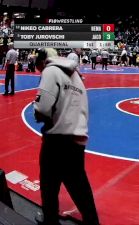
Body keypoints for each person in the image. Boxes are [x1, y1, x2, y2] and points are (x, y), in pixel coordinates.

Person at [33, 48, 99, 225]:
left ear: (41, 62)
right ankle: (92, 222)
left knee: (49, 185)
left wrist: (40, 114)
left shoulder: (50, 71)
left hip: (56, 139)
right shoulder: (77, 76)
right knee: (79, 187)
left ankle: (50, 222)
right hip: (77, 138)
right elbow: (84, 109)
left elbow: (42, 108)